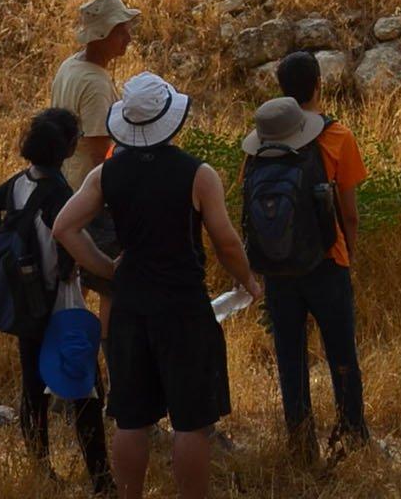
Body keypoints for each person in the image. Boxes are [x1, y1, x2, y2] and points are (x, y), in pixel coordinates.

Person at [54, 72, 264, 499]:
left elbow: (65, 227)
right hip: (182, 306)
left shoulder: (105, 175)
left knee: (130, 419)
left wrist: (109, 269)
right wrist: (248, 281)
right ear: (173, 120)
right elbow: (225, 241)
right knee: (191, 422)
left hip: (130, 305)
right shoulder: (197, 174)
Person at [0, 107, 112, 493]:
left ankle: (41, 468)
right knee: (85, 389)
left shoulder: (19, 183)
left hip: (25, 300)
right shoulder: (59, 193)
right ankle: (101, 478)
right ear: (68, 149)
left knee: (32, 388)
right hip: (59, 301)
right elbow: (71, 239)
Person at [246, 51, 368, 457]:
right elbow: (348, 213)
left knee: (289, 354)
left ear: (280, 88)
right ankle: (353, 433)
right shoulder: (337, 136)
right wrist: (347, 253)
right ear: (319, 84)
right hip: (327, 261)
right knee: (341, 352)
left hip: (277, 266)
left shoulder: (260, 139)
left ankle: (300, 440)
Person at [52, 0, 139, 183]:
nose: (128, 38)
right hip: (84, 186)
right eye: (120, 32)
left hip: (65, 175)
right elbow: (99, 154)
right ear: (101, 37)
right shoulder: (95, 84)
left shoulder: (70, 64)